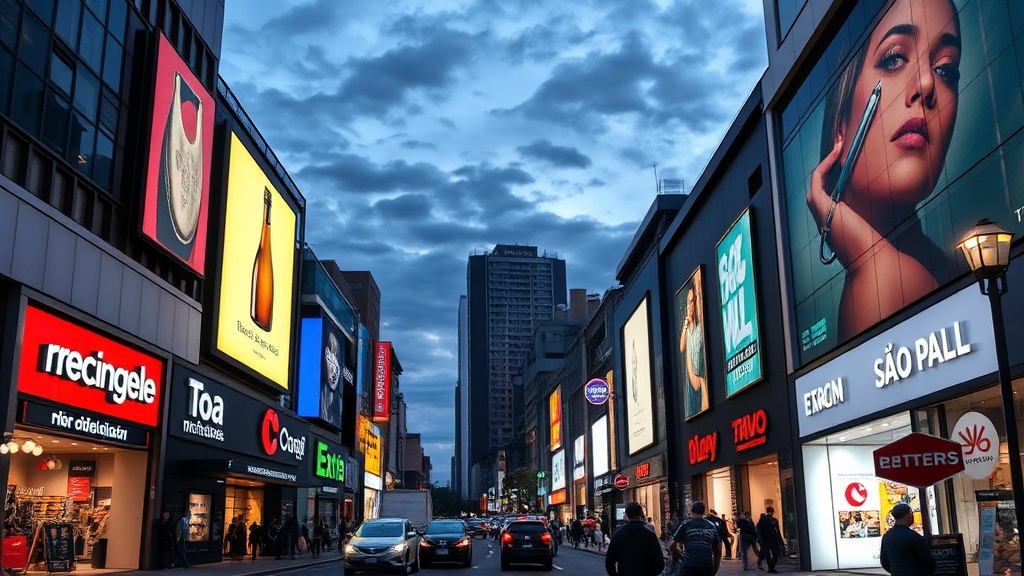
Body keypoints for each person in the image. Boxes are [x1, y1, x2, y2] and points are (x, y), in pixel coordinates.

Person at [806, 0, 962, 341]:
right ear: (840, 128)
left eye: (945, 69)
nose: (926, 83)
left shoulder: (888, 278)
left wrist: (870, 263)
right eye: (894, 58)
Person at [605, 502, 665, 576]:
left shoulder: (618, 534)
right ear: (641, 514)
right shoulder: (649, 534)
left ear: (627, 514)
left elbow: (609, 561)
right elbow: (659, 561)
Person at [679, 273, 708, 418]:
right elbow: (682, 347)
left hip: (701, 390)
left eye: (693, 301)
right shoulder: (690, 329)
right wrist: (686, 325)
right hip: (692, 396)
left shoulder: (699, 329)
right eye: (689, 302)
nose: (691, 306)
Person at [880, 503, 934, 576]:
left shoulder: (887, 536)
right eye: (911, 513)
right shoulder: (913, 536)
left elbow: (884, 562)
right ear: (908, 514)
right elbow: (927, 561)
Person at [670, 501, 721, 576]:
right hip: (706, 566)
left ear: (691, 511)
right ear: (703, 512)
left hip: (689, 566)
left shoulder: (686, 525)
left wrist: (681, 554)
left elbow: (672, 545)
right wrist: (715, 569)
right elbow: (717, 550)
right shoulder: (711, 526)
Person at [756, 507, 784, 573]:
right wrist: (780, 541)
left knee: (767, 553)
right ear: (772, 512)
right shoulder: (774, 520)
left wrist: (759, 538)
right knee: (775, 553)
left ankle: (770, 567)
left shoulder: (762, 519)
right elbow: (778, 531)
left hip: (765, 538)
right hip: (772, 538)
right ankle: (771, 566)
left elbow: (758, 529)